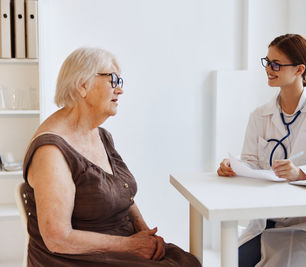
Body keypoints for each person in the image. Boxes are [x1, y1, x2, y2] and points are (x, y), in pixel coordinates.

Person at [22, 47, 201, 267]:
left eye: (120, 81)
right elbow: (57, 238)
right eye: (113, 79)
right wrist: (130, 246)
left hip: (117, 244)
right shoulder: (51, 151)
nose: (120, 90)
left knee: (187, 261)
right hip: (75, 257)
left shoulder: (100, 135)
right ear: (83, 85)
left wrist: (144, 231)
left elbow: (122, 191)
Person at [217, 34, 306, 267]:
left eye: (276, 64)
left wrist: (299, 173)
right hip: (266, 221)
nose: (268, 69)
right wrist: (233, 167)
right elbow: (250, 161)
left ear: (299, 69)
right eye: (267, 61)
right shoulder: (260, 115)